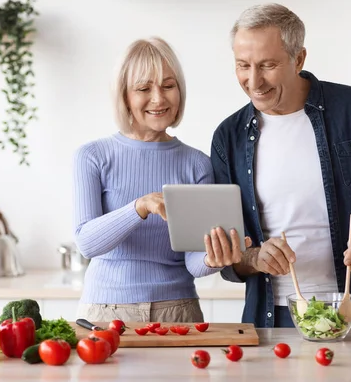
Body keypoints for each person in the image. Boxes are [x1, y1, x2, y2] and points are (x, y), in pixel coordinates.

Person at [207, 3, 351, 328]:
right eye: (242, 65)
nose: (253, 81)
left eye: (267, 65)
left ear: (299, 59)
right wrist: (254, 258)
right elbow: (231, 256)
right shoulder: (228, 137)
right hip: (272, 320)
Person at [73, 37, 242, 323]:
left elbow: (192, 263)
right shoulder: (92, 156)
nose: (158, 98)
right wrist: (139, 207)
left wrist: (213, 258)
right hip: (104, 311)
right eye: (143, 88)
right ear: (124, 96)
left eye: (168, 85)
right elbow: (87, 243)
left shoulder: (197, 163)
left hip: (178, 310)